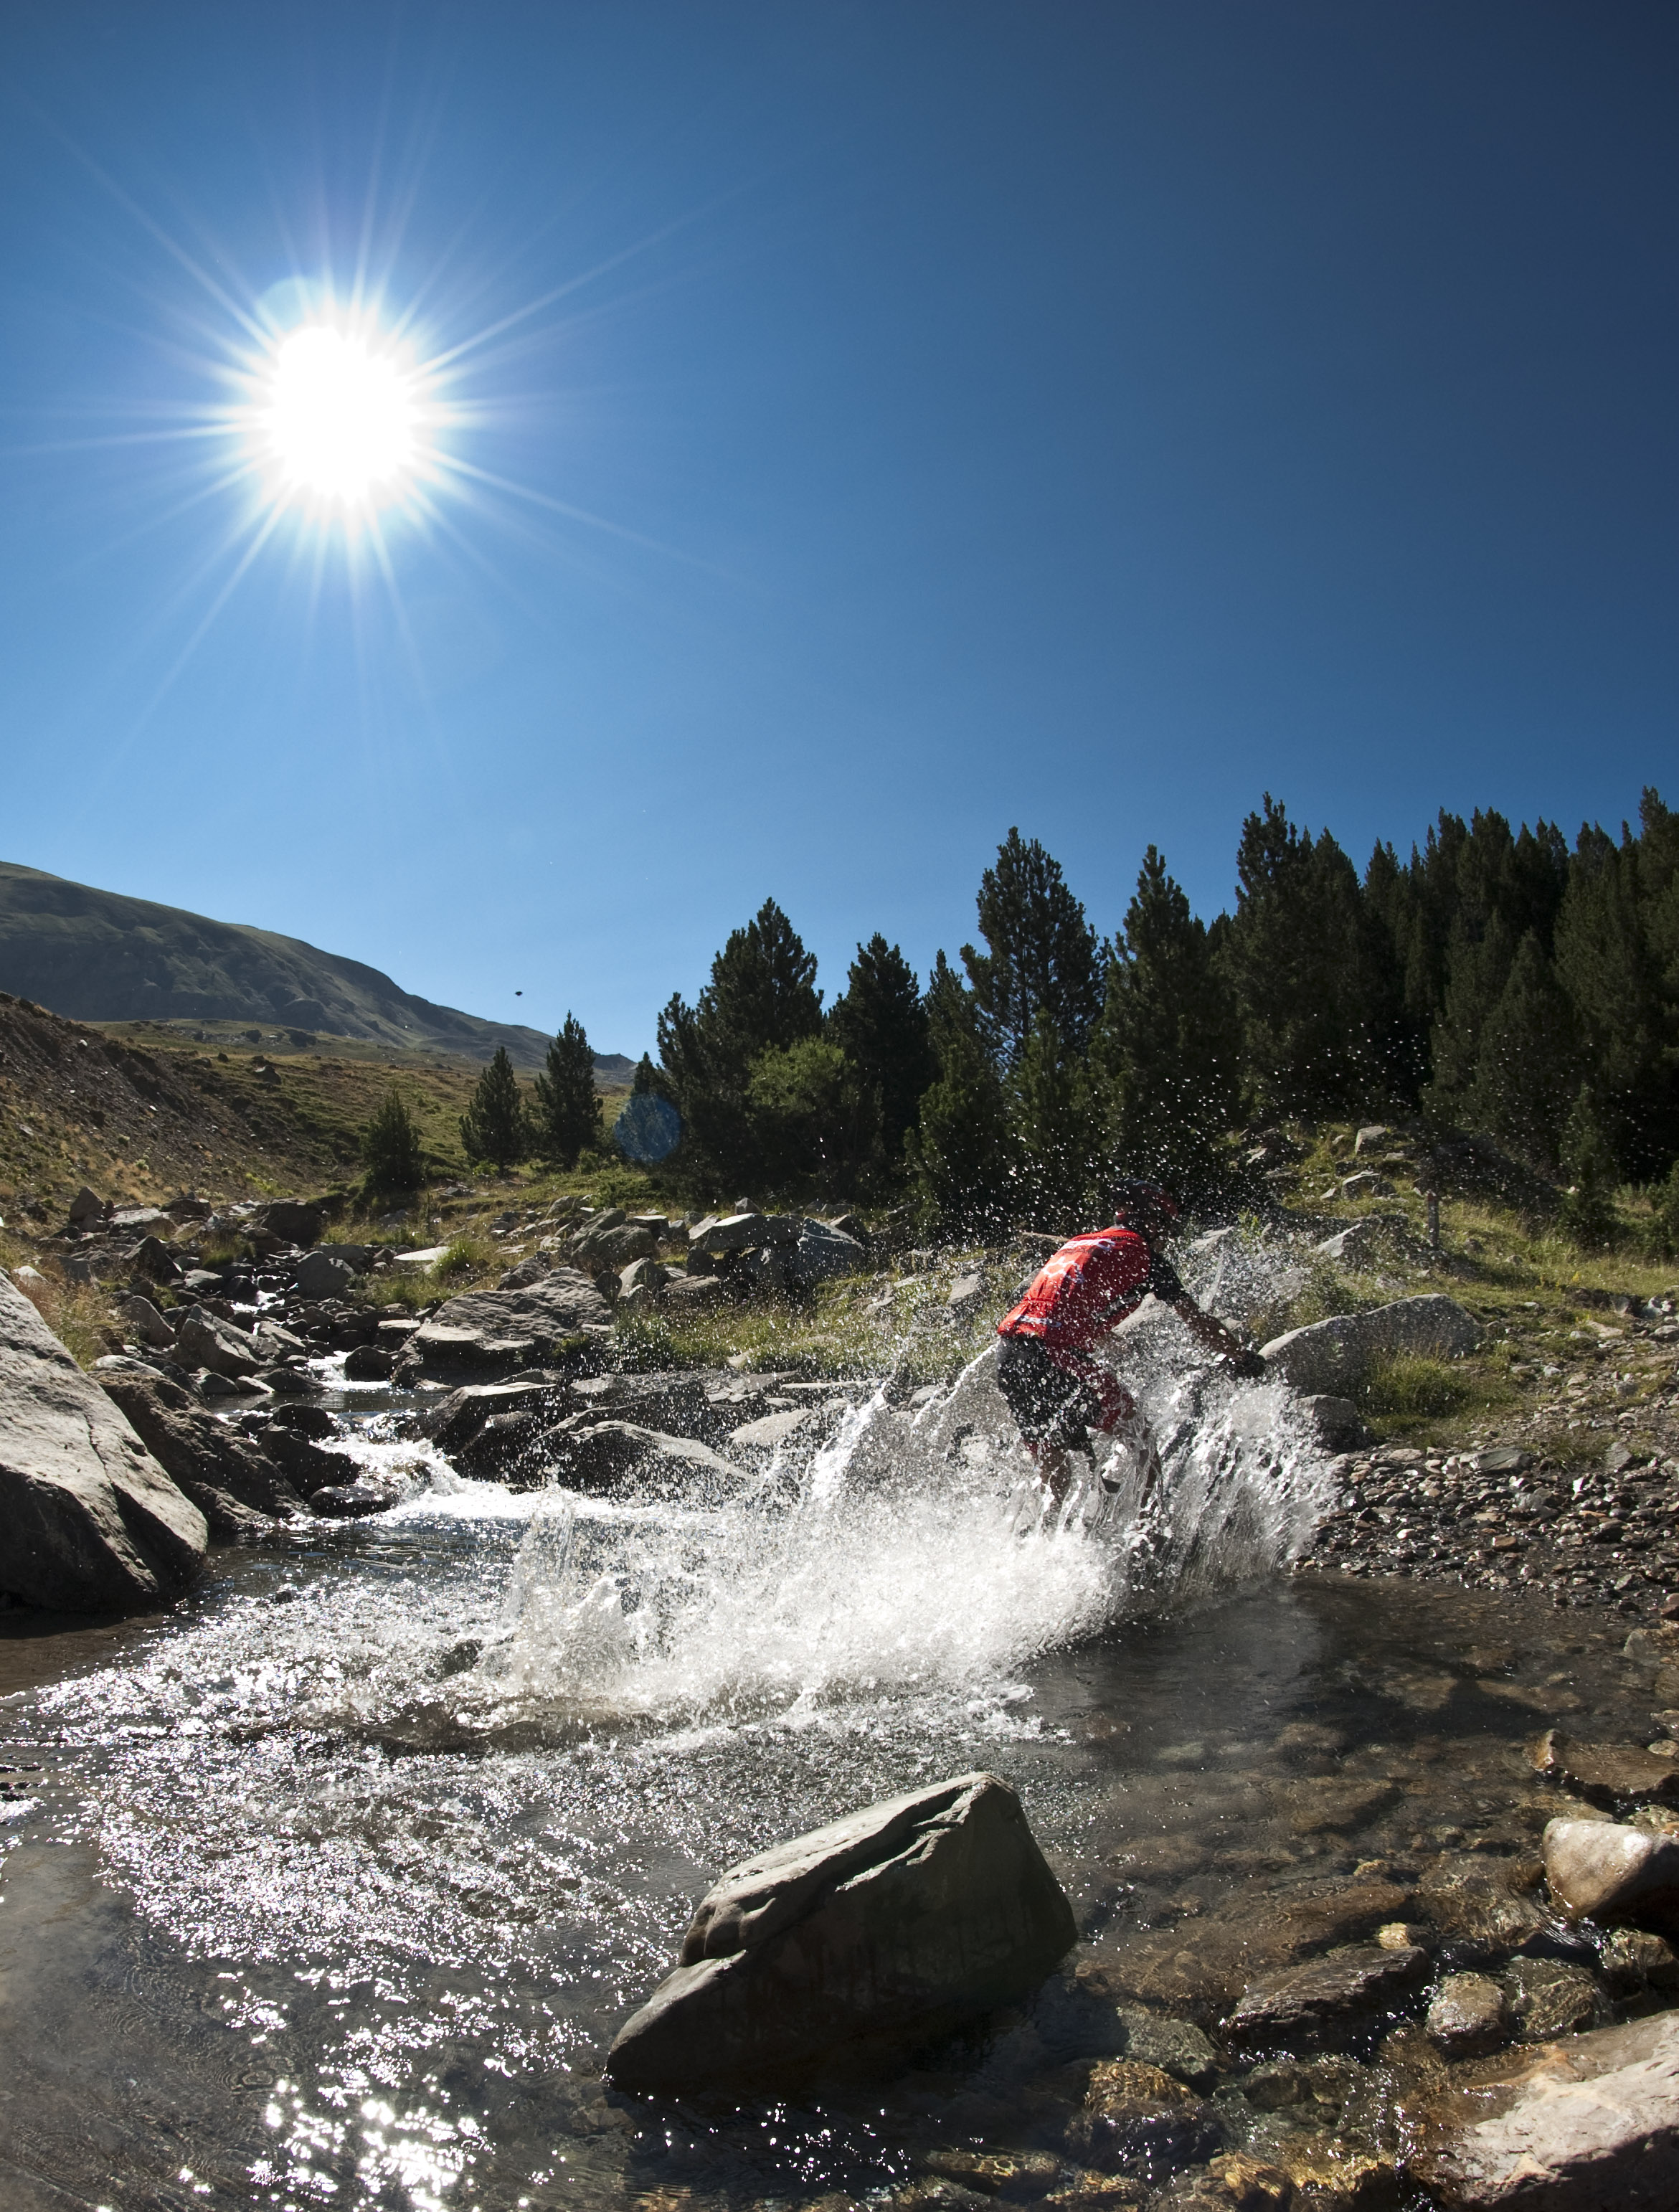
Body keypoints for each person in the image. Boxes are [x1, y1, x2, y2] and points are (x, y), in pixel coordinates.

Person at [995, 1181, 1266, 1506]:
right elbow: (1198, 1322)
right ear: (1150, 1221)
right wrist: (1241, 1356)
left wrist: (1117, 1347)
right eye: (1164, 1226)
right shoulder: (1145, 1256)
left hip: (1010, 1355)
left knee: (1057, 1472)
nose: (1166, 1236)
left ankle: (1042, 1538)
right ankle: (1147, 1531)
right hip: (1054, 1354)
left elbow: (1064, 1306)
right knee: (1140, 1437)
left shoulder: (1079, 1243)